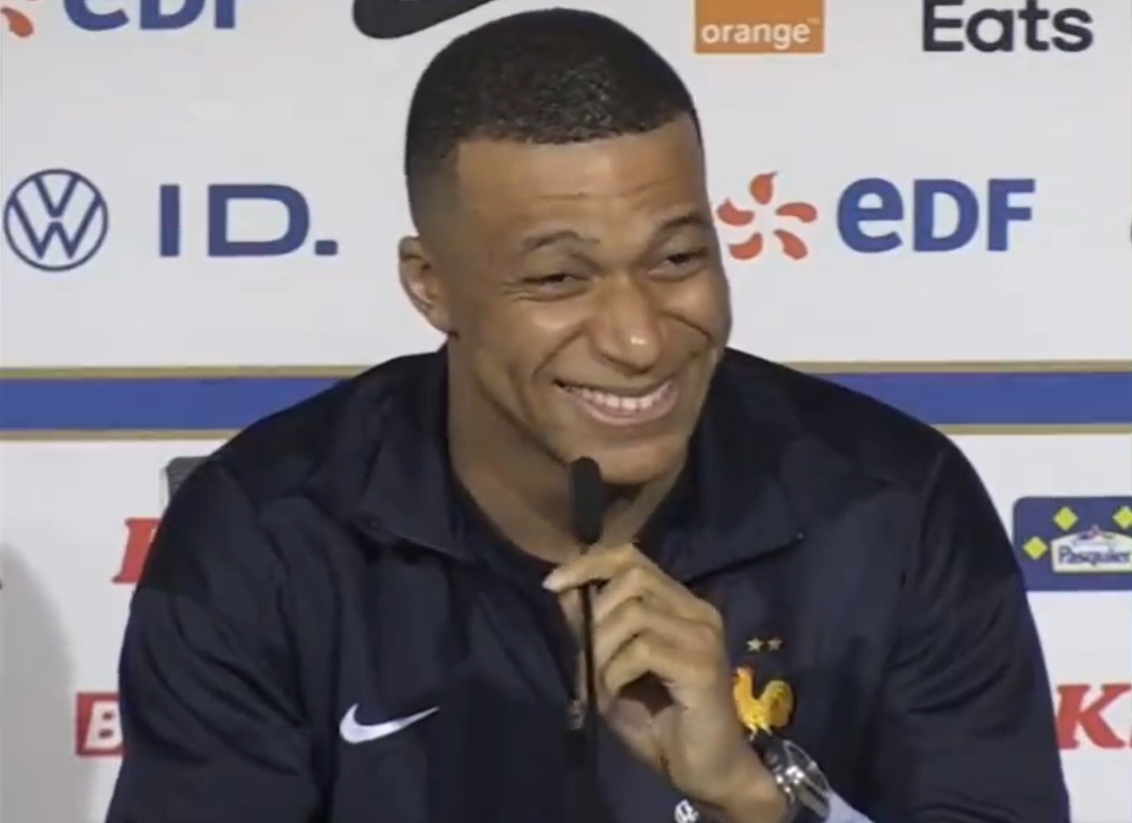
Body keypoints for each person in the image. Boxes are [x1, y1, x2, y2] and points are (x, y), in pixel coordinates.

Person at [106, 8, 1069, 823]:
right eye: (559, 278)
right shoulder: (265, 534)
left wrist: (751, 799)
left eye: (678, 260)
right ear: (431, 285)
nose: (641, 339)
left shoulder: (894, 503)